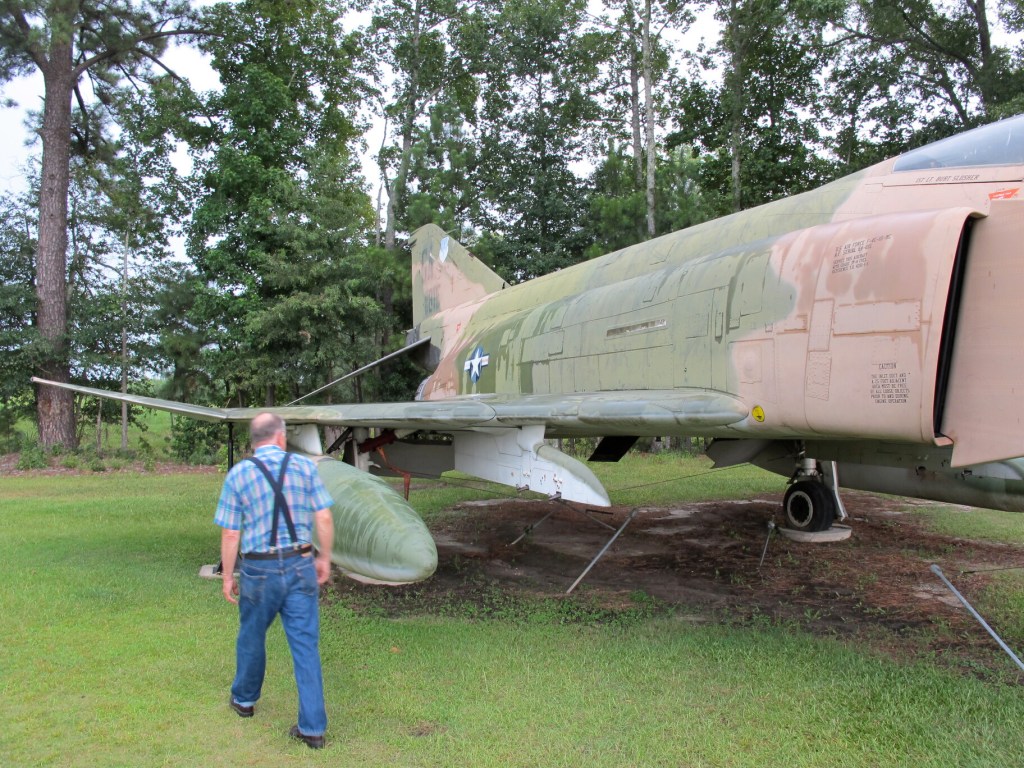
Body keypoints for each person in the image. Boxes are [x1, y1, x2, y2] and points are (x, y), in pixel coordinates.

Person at [214, 412, 334, 749]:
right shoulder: (305, 468)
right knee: (305, 646)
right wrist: (323, 557)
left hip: (259, 570)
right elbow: (323, 516)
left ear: (254, 440)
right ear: (281, 437)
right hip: (301, 564)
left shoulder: (239, 474)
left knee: (251, 636)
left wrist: (227, 575)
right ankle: (313, 728)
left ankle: (245, 700)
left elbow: (230, 532)